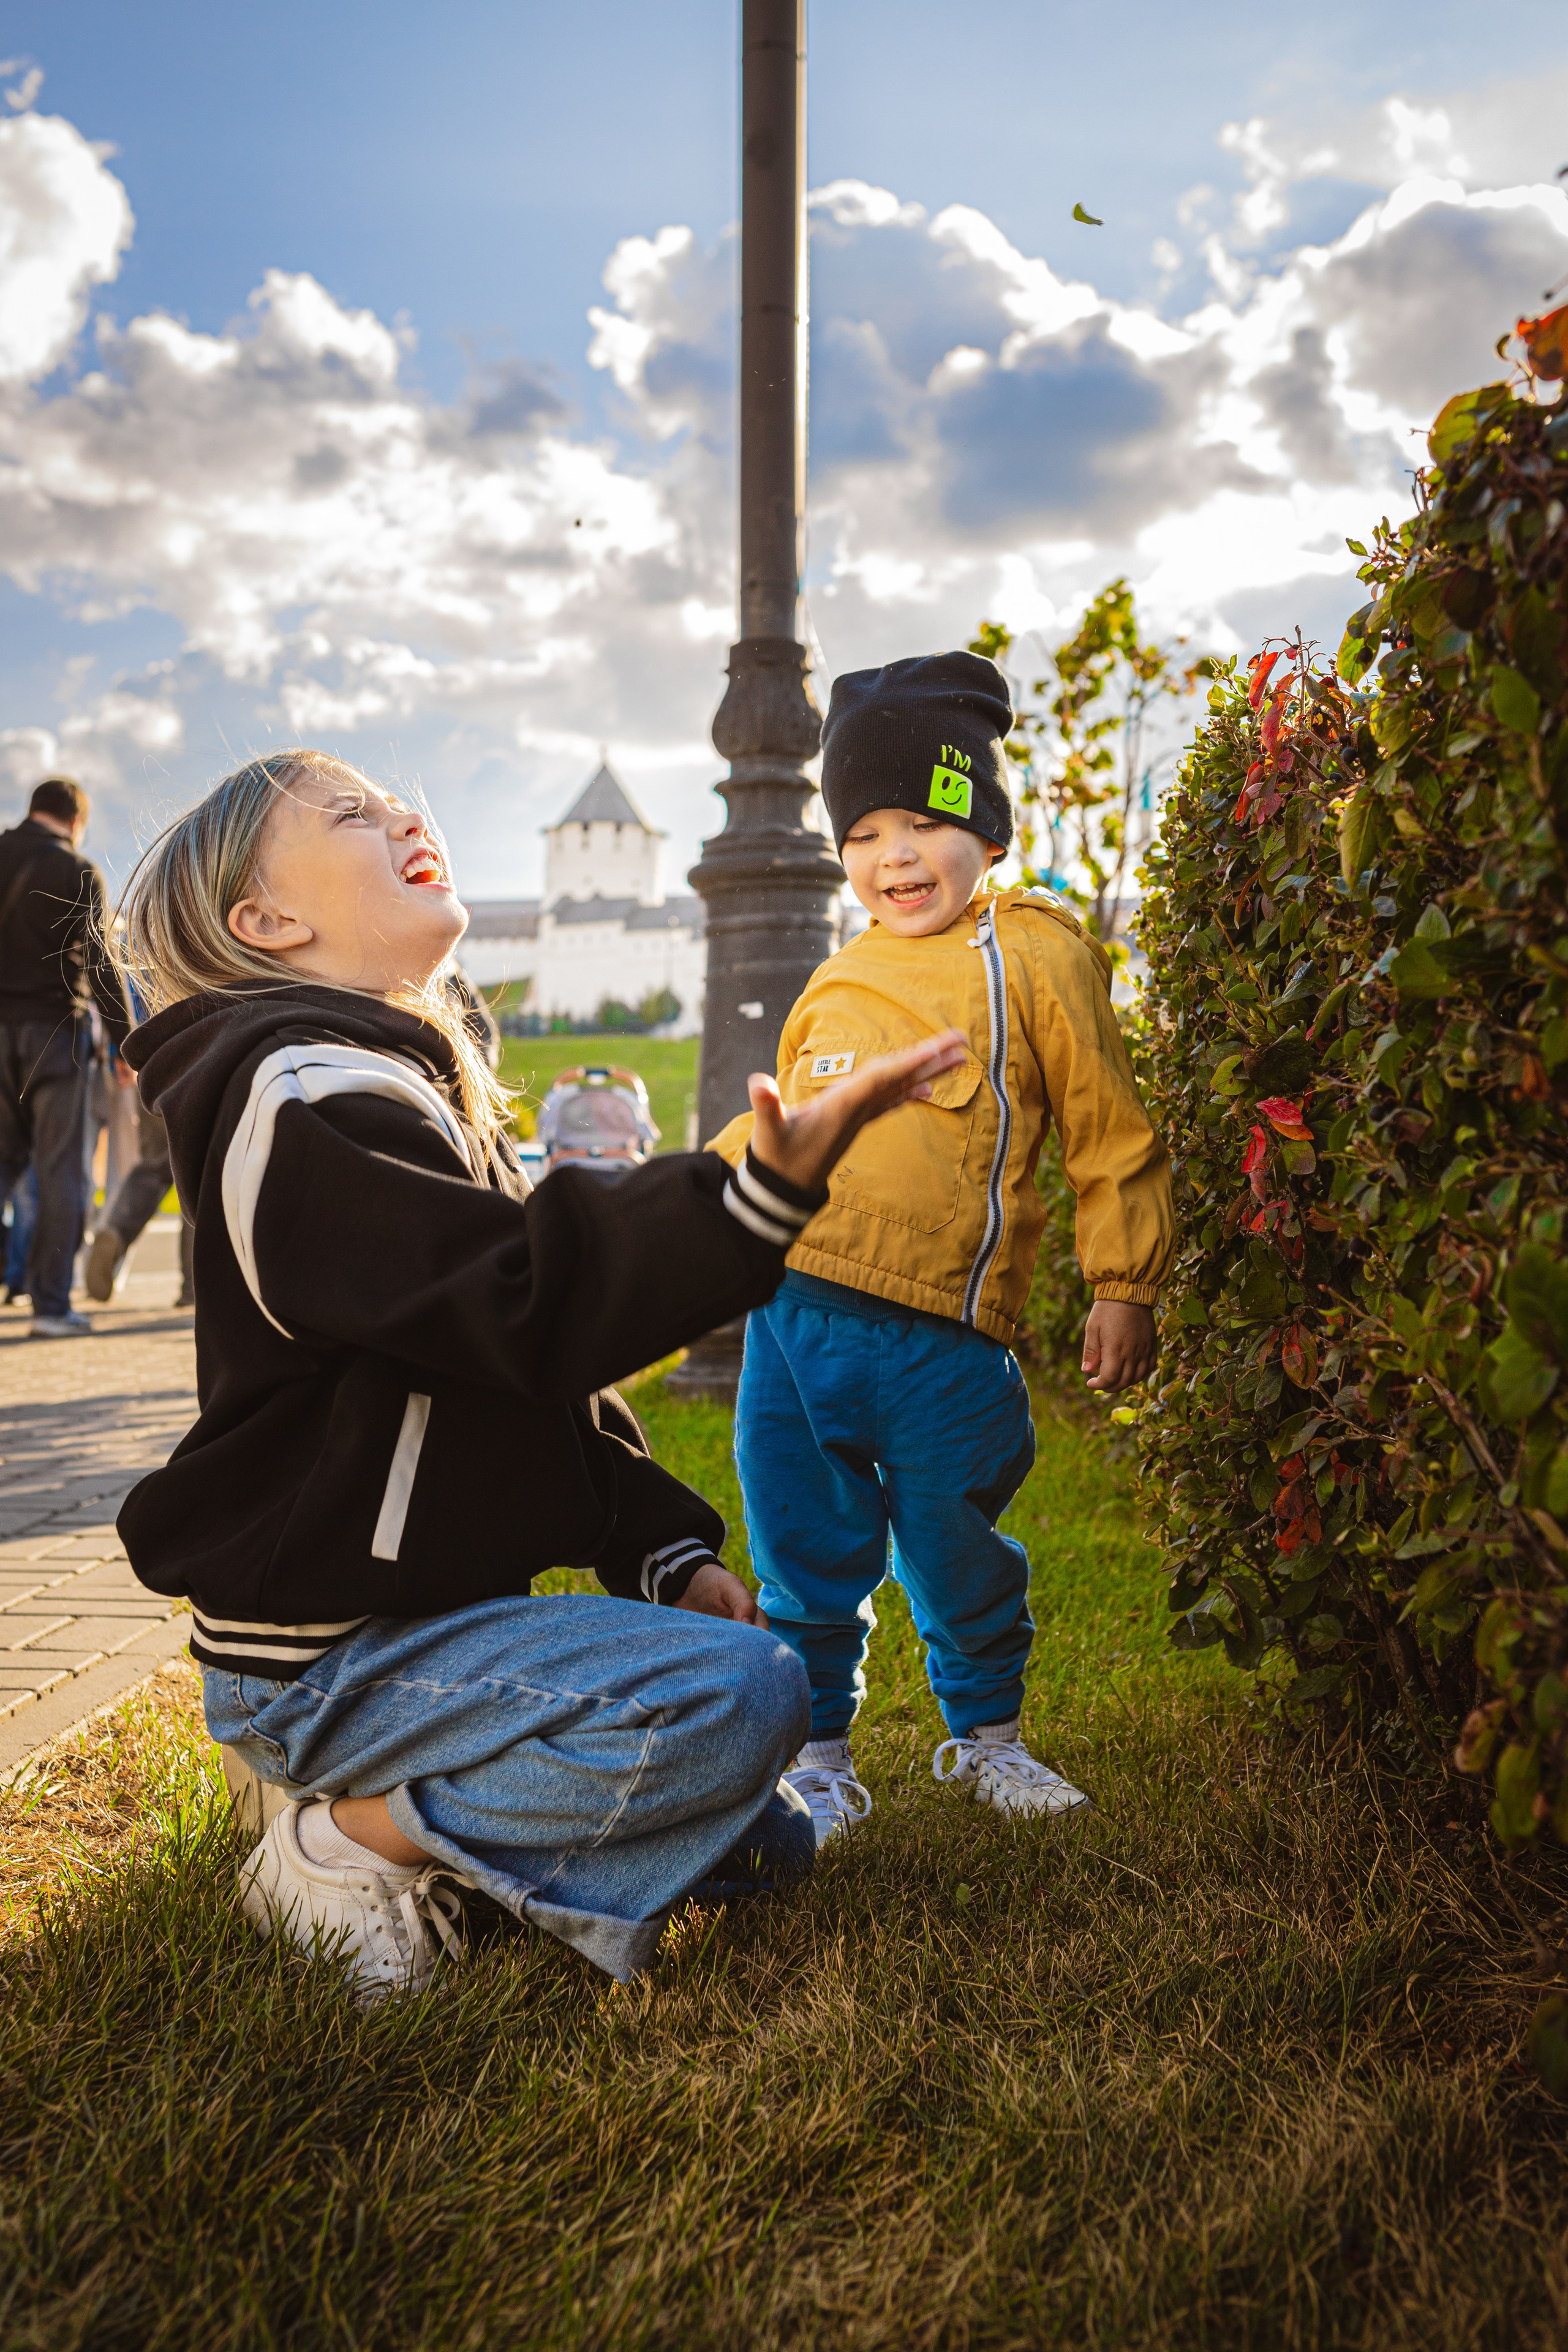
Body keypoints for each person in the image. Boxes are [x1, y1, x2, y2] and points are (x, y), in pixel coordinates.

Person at [111, 748, 964, 2000]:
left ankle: (449, 1845)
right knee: (743, 1699)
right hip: (327, 1660)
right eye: (352, 813)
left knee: (765, 1843)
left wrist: (660, 1550)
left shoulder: (396, 1085)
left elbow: (532, 1380)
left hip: (429, 1630)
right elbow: (522, 1301)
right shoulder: (296, 1097)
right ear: (268, 923)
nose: (408, 807)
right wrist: (745, 1201)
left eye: (398, 792)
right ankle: (338, 1841)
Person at [710, 652, 1176, 1844]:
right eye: (862, 832)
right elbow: (773, 1136)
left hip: (942, 1340)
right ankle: (817, 1759)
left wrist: (1123, 1280)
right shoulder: (835, 975)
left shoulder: (1031, 951)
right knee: (801, 1553)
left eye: (924, 821)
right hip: (793, 1321)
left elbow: (1104, 1127)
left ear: (983, 825)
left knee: (957, 1549)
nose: (893, 857)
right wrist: (672, 1211)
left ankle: (989, 1742)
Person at [0, 776, 134, 1338]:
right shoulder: (77, 870)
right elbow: (101, 963)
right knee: (61, 1173)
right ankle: (52, 1308)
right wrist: (128, 1043)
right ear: (76, 821)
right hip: (56, 1036)